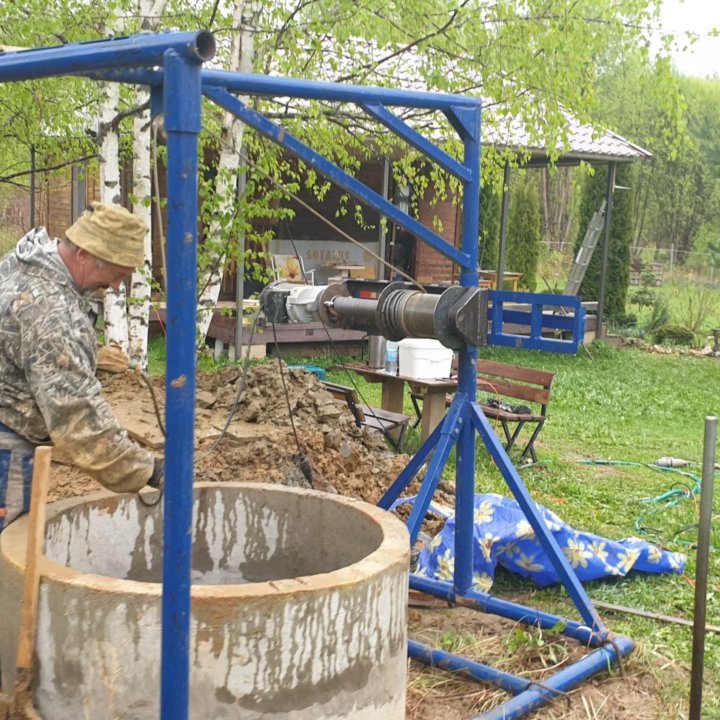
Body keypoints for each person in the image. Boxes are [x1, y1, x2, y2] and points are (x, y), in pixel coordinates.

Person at [0, 202, 163, 532]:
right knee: (10, 552)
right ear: (85, 255)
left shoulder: (23, 264)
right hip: (7, 448)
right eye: (116, 275)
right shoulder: (51, 313)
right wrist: (148, 470)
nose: (116, 287)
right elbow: (77, 418)